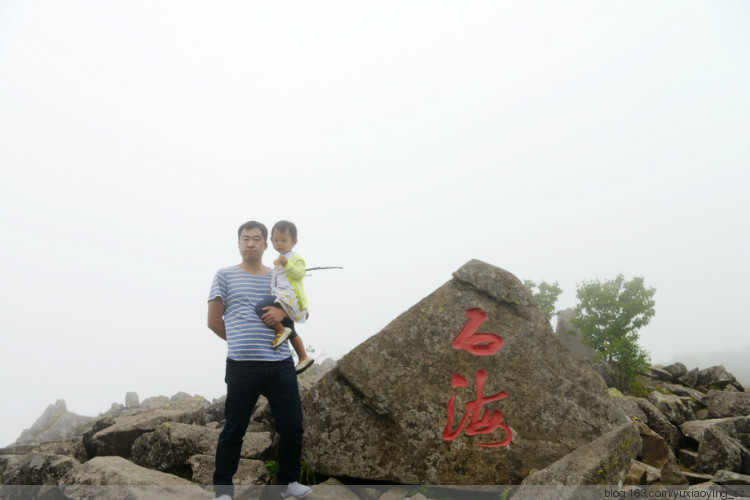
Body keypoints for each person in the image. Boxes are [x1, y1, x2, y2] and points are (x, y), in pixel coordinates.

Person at [207, 221, 312, 500]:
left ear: (267, 245)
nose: (251, 243)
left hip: (279, 363)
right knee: (234, 429)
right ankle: (223, 492)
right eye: (245, 238)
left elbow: (295, 308)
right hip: (242, 364)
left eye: (256, 239)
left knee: (292, 425)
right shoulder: (224, 275)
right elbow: (213, 321)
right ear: (239, 243)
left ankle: (288, 482)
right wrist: (241, 341)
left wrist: (282, 316)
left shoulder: (278, 274)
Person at [254, 220, 314, 374]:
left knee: (260, 307)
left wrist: (287, 264)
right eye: (276, 240)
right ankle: (303, 357)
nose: (279, 244)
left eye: (284, 240)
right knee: (291, 328)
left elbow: (299, 274)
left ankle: (280, 330)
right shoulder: (279, 259)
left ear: (294, 241)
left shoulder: (295, 258)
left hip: (288, 297)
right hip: (280, 296)